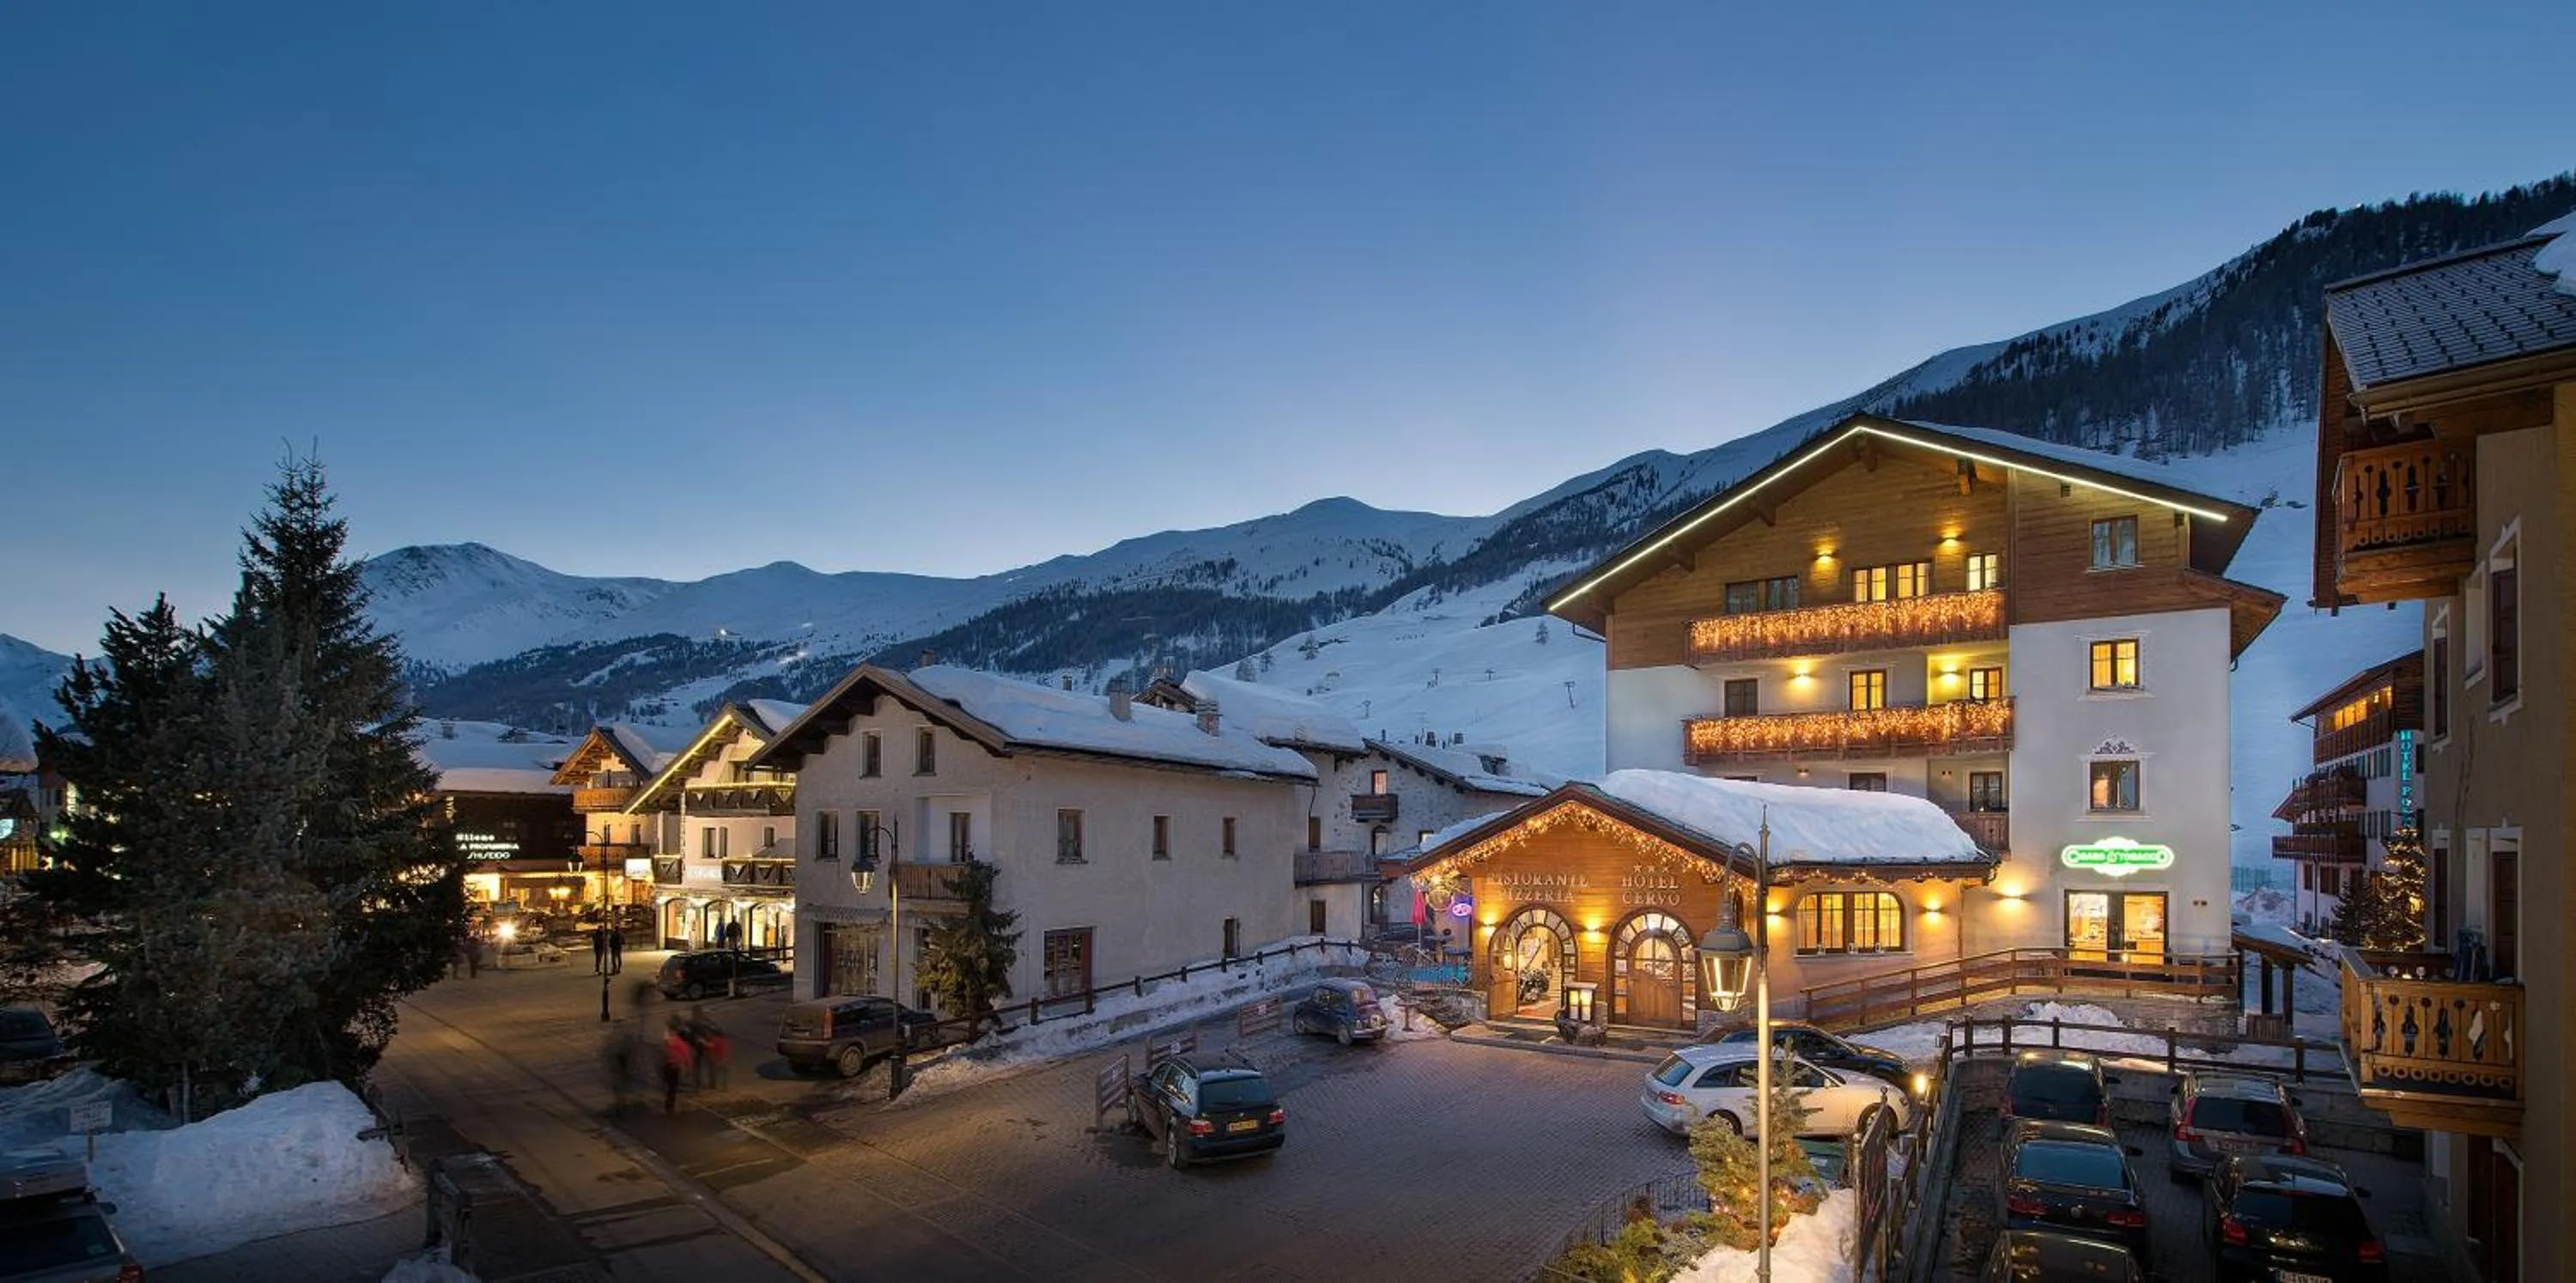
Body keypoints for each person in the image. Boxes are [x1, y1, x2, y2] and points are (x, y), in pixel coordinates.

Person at [661, 1018, 693, 1114]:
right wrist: (688, 1067)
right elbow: (687, 1057)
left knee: (670, 1085)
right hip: (674, 1066)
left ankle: (669, 1102)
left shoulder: (672, 1041)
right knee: (673, 1086)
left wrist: (667, 1028)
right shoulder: (681, 1044)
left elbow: (666, 1041)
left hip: (669, 1065)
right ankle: (671, 1104)